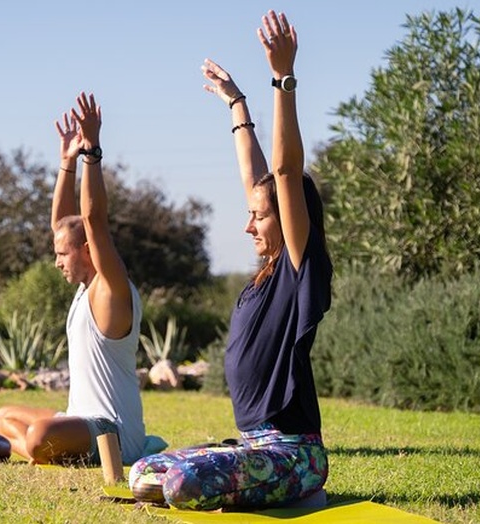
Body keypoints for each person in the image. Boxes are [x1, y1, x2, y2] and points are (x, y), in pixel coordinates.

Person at [128, 10, 332, 510]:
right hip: (251, 446)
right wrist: (237, 106)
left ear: (288, 218)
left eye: (258, 218)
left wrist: (281, 80)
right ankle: (237, 481)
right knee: (143, 472)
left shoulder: (299, 270)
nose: (248, 225)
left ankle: (287, 490)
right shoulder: (266, 276)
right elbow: (258, 181)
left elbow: (284, 173)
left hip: (294, 452)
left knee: (179, 485)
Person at [0, 92, 147, 466]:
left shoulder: (111, 289)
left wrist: (91, 151)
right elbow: (62, 225)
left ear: (88, 250)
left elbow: (93, 221)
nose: (57, 261)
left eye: (63, 254)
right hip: (77, 420)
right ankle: (40, 446)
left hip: (114, 432)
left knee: (40, 436)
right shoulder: (82, 287)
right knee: (3, 417)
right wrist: (66, 163)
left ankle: (39, 445)